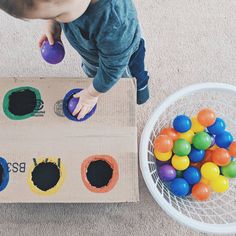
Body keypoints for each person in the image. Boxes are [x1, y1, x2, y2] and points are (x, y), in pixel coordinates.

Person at [0, 0, 150, 119]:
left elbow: (112, 69)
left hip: (124, 60)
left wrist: (91, 95)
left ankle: (141, 91)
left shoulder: (115, 23)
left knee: (129, 81)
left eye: (58, 15)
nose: (56, 18)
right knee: (95, 73)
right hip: (93, 53)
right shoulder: (73, 4)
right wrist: (53, 24)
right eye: (48, 16)